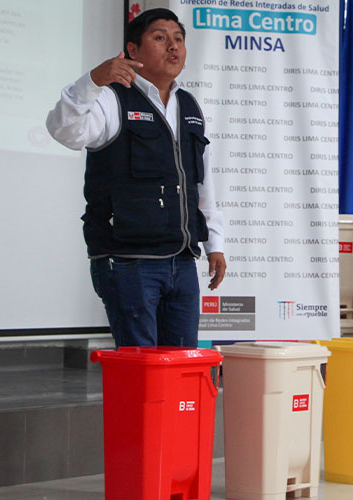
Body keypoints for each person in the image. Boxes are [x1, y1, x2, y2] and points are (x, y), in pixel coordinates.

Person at [46, 8, 225, 348]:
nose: (172, 47)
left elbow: (202, 184)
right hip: (129, 261)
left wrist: (214, 243)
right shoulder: (111, 98)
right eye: (160, 38)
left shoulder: (190, 106)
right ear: (132, 50)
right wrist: (93, 81)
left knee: (180, 367)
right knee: (141, 370)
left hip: (182, 259)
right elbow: (64, 132)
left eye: (178, 39)